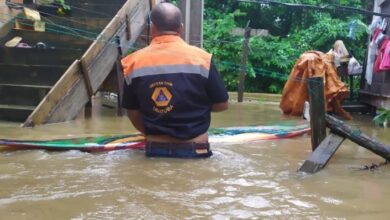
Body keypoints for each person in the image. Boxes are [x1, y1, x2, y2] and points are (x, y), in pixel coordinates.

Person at [121, 2, 229, 158]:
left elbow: (132, 112)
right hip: (197, 149)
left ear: (152, 28)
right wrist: (195, 107)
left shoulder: (132, 63)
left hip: (155, 150)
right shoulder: (203, 59)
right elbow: (222, 105)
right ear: (181, 28)